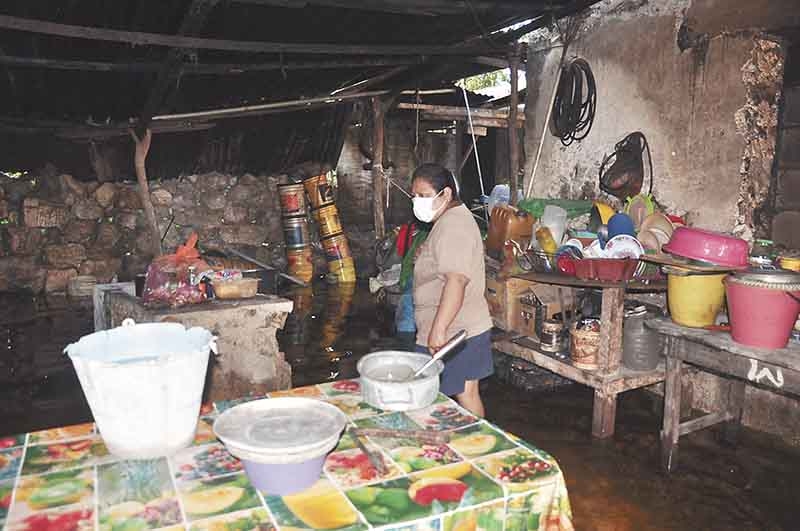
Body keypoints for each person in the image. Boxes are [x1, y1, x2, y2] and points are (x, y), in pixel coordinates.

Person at [411, 163, 493, 417]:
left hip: (454, 331)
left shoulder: (453, 225)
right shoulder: (449, 219)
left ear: (445, 194)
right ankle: (472, 445)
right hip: (456, 327)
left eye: (424, 196)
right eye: (414, 196)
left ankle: (479, 448)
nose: (417, 202)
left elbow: (456, 281)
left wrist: (439, 330)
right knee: (464, 393)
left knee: (462, 395)